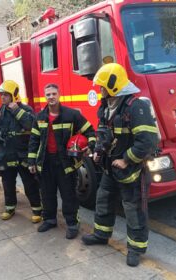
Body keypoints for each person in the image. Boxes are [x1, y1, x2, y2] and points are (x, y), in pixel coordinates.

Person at [81, 63, 159, 267]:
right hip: (110, 169)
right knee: (103, 201)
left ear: (113, 86)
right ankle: (101, 234)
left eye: (102, 85)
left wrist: (126, 159)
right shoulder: (105, 105)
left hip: (132, 171)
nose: (99, 89)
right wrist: (98, 151)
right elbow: (102, 133)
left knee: (134, 211)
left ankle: (135, 249)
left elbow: (148, 142)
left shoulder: (135, 106)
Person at [28, 83, 96, 239]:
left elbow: (90, 131)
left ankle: (72, 224)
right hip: (46, 162)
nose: (51, 97)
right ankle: (50, 220)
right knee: (47, 194)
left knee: (68, 195)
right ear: (45, 97)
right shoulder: (39, 117)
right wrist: (32, 162)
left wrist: (90, 145)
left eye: (53, 94)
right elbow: (34, 140)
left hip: (66, 163)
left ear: (59, 95)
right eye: (48, 95)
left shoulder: (72, 115)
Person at [0, 80, 42, 222]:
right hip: (6, 154)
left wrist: (16, 110)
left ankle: (37, 210)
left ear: (14, 95)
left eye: (5, 94)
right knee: (8, 183)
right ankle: (10, 207)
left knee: (29, 183)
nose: (2, 97)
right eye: (1, 95)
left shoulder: (25, 109)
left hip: (22, 154)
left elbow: (31, 125)